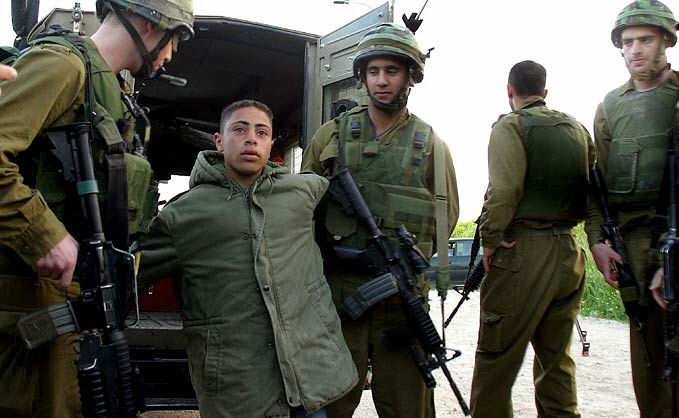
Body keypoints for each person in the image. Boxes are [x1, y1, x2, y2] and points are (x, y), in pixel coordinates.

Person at [0, 1, 193, 417]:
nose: (171, 55)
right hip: (30, 300)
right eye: (174, 39)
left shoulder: (110, 92)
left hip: (72, 298)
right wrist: (44, 235)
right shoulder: (62, 66)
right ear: (151, 23)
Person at [137, 99, 358, 418]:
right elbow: (130, 272)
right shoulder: (181, 215)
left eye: (261, 132)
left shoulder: (303, 192)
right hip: (238, 388)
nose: (251, 139)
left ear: (271, 144)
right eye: (240, 130)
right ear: (218, 140)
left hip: (306, 384)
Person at [301, 23, 458, 418]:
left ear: (410, 77)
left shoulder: (431, 144)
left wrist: (416, 253)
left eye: (392, 71)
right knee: (329, 405)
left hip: (400, 298)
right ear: (362, 76)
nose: (382, 81)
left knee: (408, 407)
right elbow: (302, 208)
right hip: (339, 294)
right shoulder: (331, 136)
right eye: (373, 71)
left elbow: (446, 214)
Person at [470, 60, 594, 418]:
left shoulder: (511, 126)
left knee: (495, 361)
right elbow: (595, 190)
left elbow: (504, 191)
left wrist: (490, 239)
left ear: (510, 90)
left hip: (522, 252)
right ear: (545, 92)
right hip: (569, 252)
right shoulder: (577, 128)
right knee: (557, 361)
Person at [585, 1, 679, 416]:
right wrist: (598, 242)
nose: (635, 50)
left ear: (666, 42)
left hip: (673, 238)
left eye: (645, 40)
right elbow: (598, 185)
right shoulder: (610, 107)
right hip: (633, 246)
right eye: (627, 42)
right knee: (649, 362)